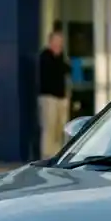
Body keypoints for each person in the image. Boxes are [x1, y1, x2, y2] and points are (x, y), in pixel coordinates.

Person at [37, 30, 71, 158]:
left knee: (60, 128)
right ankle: (46, 155)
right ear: (50, 42)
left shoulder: (61, 56)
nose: (59, 44)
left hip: (61, 97)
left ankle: (58, 154)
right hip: (48, 97)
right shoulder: (45, 56)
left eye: (61, 41)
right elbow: (53, 72)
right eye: (57, 41)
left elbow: (67, 69)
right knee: (49, 127)